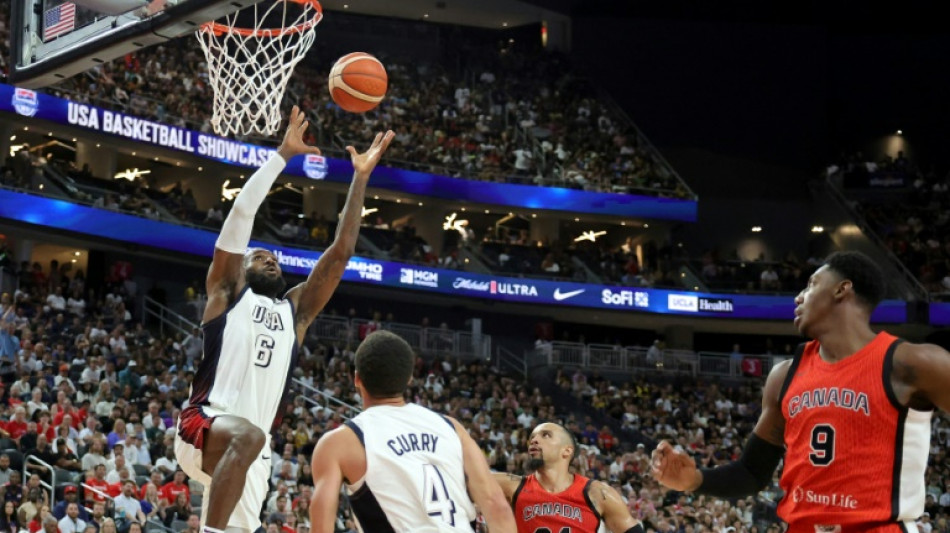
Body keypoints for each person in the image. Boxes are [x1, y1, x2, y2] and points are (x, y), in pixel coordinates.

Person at [174, 106, 394, 533]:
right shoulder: (226, 293)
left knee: (250, 480)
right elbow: (240, 215)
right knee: (248, 438)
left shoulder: (295, 312)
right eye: (259, 256)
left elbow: (340, 253)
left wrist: (360, 178)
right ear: (241, 268)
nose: (269, 258)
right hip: (202, 422)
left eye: (274, 257)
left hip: (250, 449)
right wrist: (282, 156)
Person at [652, 251, 950, 532]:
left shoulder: (912, 363)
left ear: (841, 289)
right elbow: (752, 472)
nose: (798, 297)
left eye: (811, 285)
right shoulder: (784, 376)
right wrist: (693, 480)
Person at [308, 330, 516, 533]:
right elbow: (496, 504)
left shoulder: (340, 442)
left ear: (357, 379)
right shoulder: (451, 427)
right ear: (409, 379)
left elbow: (321, 528)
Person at [492, 422, 643, 533]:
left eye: (545, 435)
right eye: (532, 437)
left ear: (566, 451)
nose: (534, 440)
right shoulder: (510, 486)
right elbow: (470, 479)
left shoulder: (598, 493)